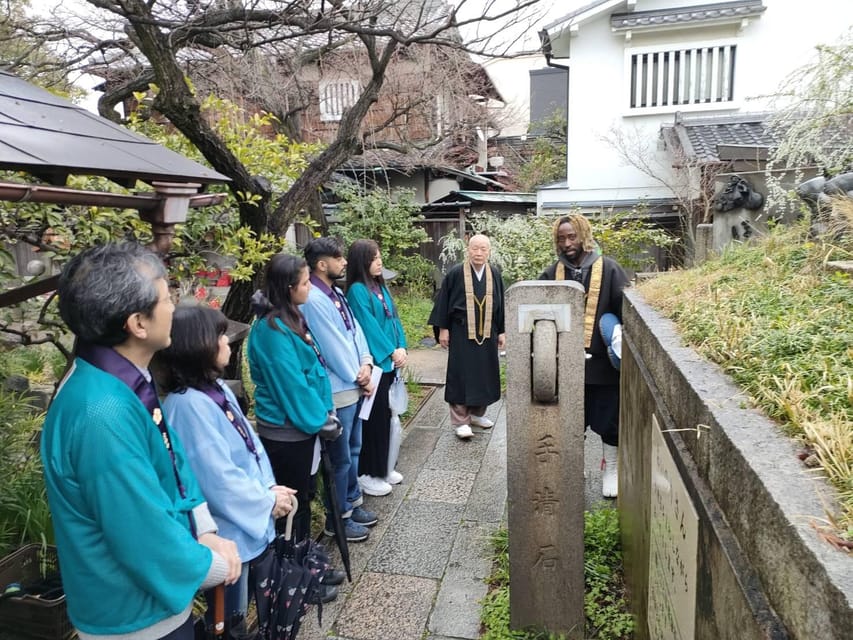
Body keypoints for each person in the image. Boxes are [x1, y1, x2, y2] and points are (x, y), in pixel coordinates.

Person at [40, 242, 241, 640]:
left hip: (147, 606)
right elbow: (140, 532)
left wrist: (203, 527)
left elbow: (173, 458)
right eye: (167, 297)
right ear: (138, 323)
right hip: (134, 618)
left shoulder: (118, 378)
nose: (174, 306)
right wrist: (214, 565)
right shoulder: (101, 412)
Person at [156, 305, 296, 626]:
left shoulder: (214, 388)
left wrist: (269, 490)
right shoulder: (187, 404)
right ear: (198, 345)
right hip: (227, 530)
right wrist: (267, 500)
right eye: (220, 336)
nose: (228, 342)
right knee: (231, 616)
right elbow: (217, 479)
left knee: (244, 607)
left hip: (246, 519)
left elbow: (250, 448)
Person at [246, 253, 343, 602]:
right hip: (288, 434)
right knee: (291, 510)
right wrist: (319, 420)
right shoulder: (271, 331)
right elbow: (292, 387)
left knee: (303, 502)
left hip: (304, 429)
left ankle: (306, 569)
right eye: (304, 283)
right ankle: (294, 583)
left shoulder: (291, 319)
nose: (309, 288)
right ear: (288, 288)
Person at [538, 214, 629, 498]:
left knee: (610, 421)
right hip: (565, 366)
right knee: (570, 421)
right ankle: (573, 467)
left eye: (572, 236)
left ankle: (610, 470)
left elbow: (627, 311)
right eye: (562, 238)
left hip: (603, 367)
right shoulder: (552, 273)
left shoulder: (610, 270)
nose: (567, 243)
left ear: (584, 235)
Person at [302, 238, 379, 542]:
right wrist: (357, 374)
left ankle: (352, 501)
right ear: (322, 264)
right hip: (338, 386)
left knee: (354, 448)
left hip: (354, 381)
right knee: (340, 456)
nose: (344, 262)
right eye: (338, 258)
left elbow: (354, 331)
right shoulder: (314, 299)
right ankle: (339, 517)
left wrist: (366, 361)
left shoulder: (333, 292)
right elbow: (331, 343)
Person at [345, 239, 408, 497]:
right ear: (362, 261)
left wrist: (402, 346)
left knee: (388, 416)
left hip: (391, 361)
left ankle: (383, 466)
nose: (380, 262)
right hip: (378, 364)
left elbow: (394, 319)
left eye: (380, 256)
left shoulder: (380, 286)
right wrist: (390, 350)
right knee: (374, 419)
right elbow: (367, 326)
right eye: (374, 258)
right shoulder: (358, 290)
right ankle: (368, 472)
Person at [429, 234, 506, 440]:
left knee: (484, 374)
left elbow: (501, 304)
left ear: (489, 252)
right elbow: (443, 301)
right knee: (461, 375)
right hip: (461, 332)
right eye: (475, 248)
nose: (478, 253)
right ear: (468, 250)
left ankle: (477, 414)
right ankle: (461, 420)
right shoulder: (456, 273)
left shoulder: (494, 274)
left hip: (488, 332)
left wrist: (502, 331)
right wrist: (443, 328)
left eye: (483, 249)